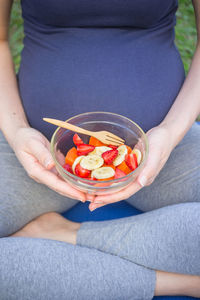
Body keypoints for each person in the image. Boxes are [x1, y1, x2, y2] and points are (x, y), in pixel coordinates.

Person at [0, 0, 199, 299]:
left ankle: (64, 236)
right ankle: (184, 282)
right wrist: (17, 133)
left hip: (166, 154)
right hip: (36, 156)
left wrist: (169, 134)